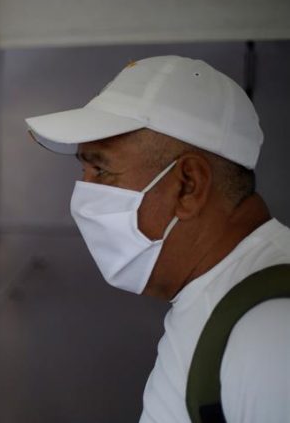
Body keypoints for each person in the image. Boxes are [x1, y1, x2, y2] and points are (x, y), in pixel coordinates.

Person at [25, 55, 290, 422]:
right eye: (83, 169)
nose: (82, 197)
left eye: (101, 170)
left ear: (188, 186)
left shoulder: (271, 332)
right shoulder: (217, 298)